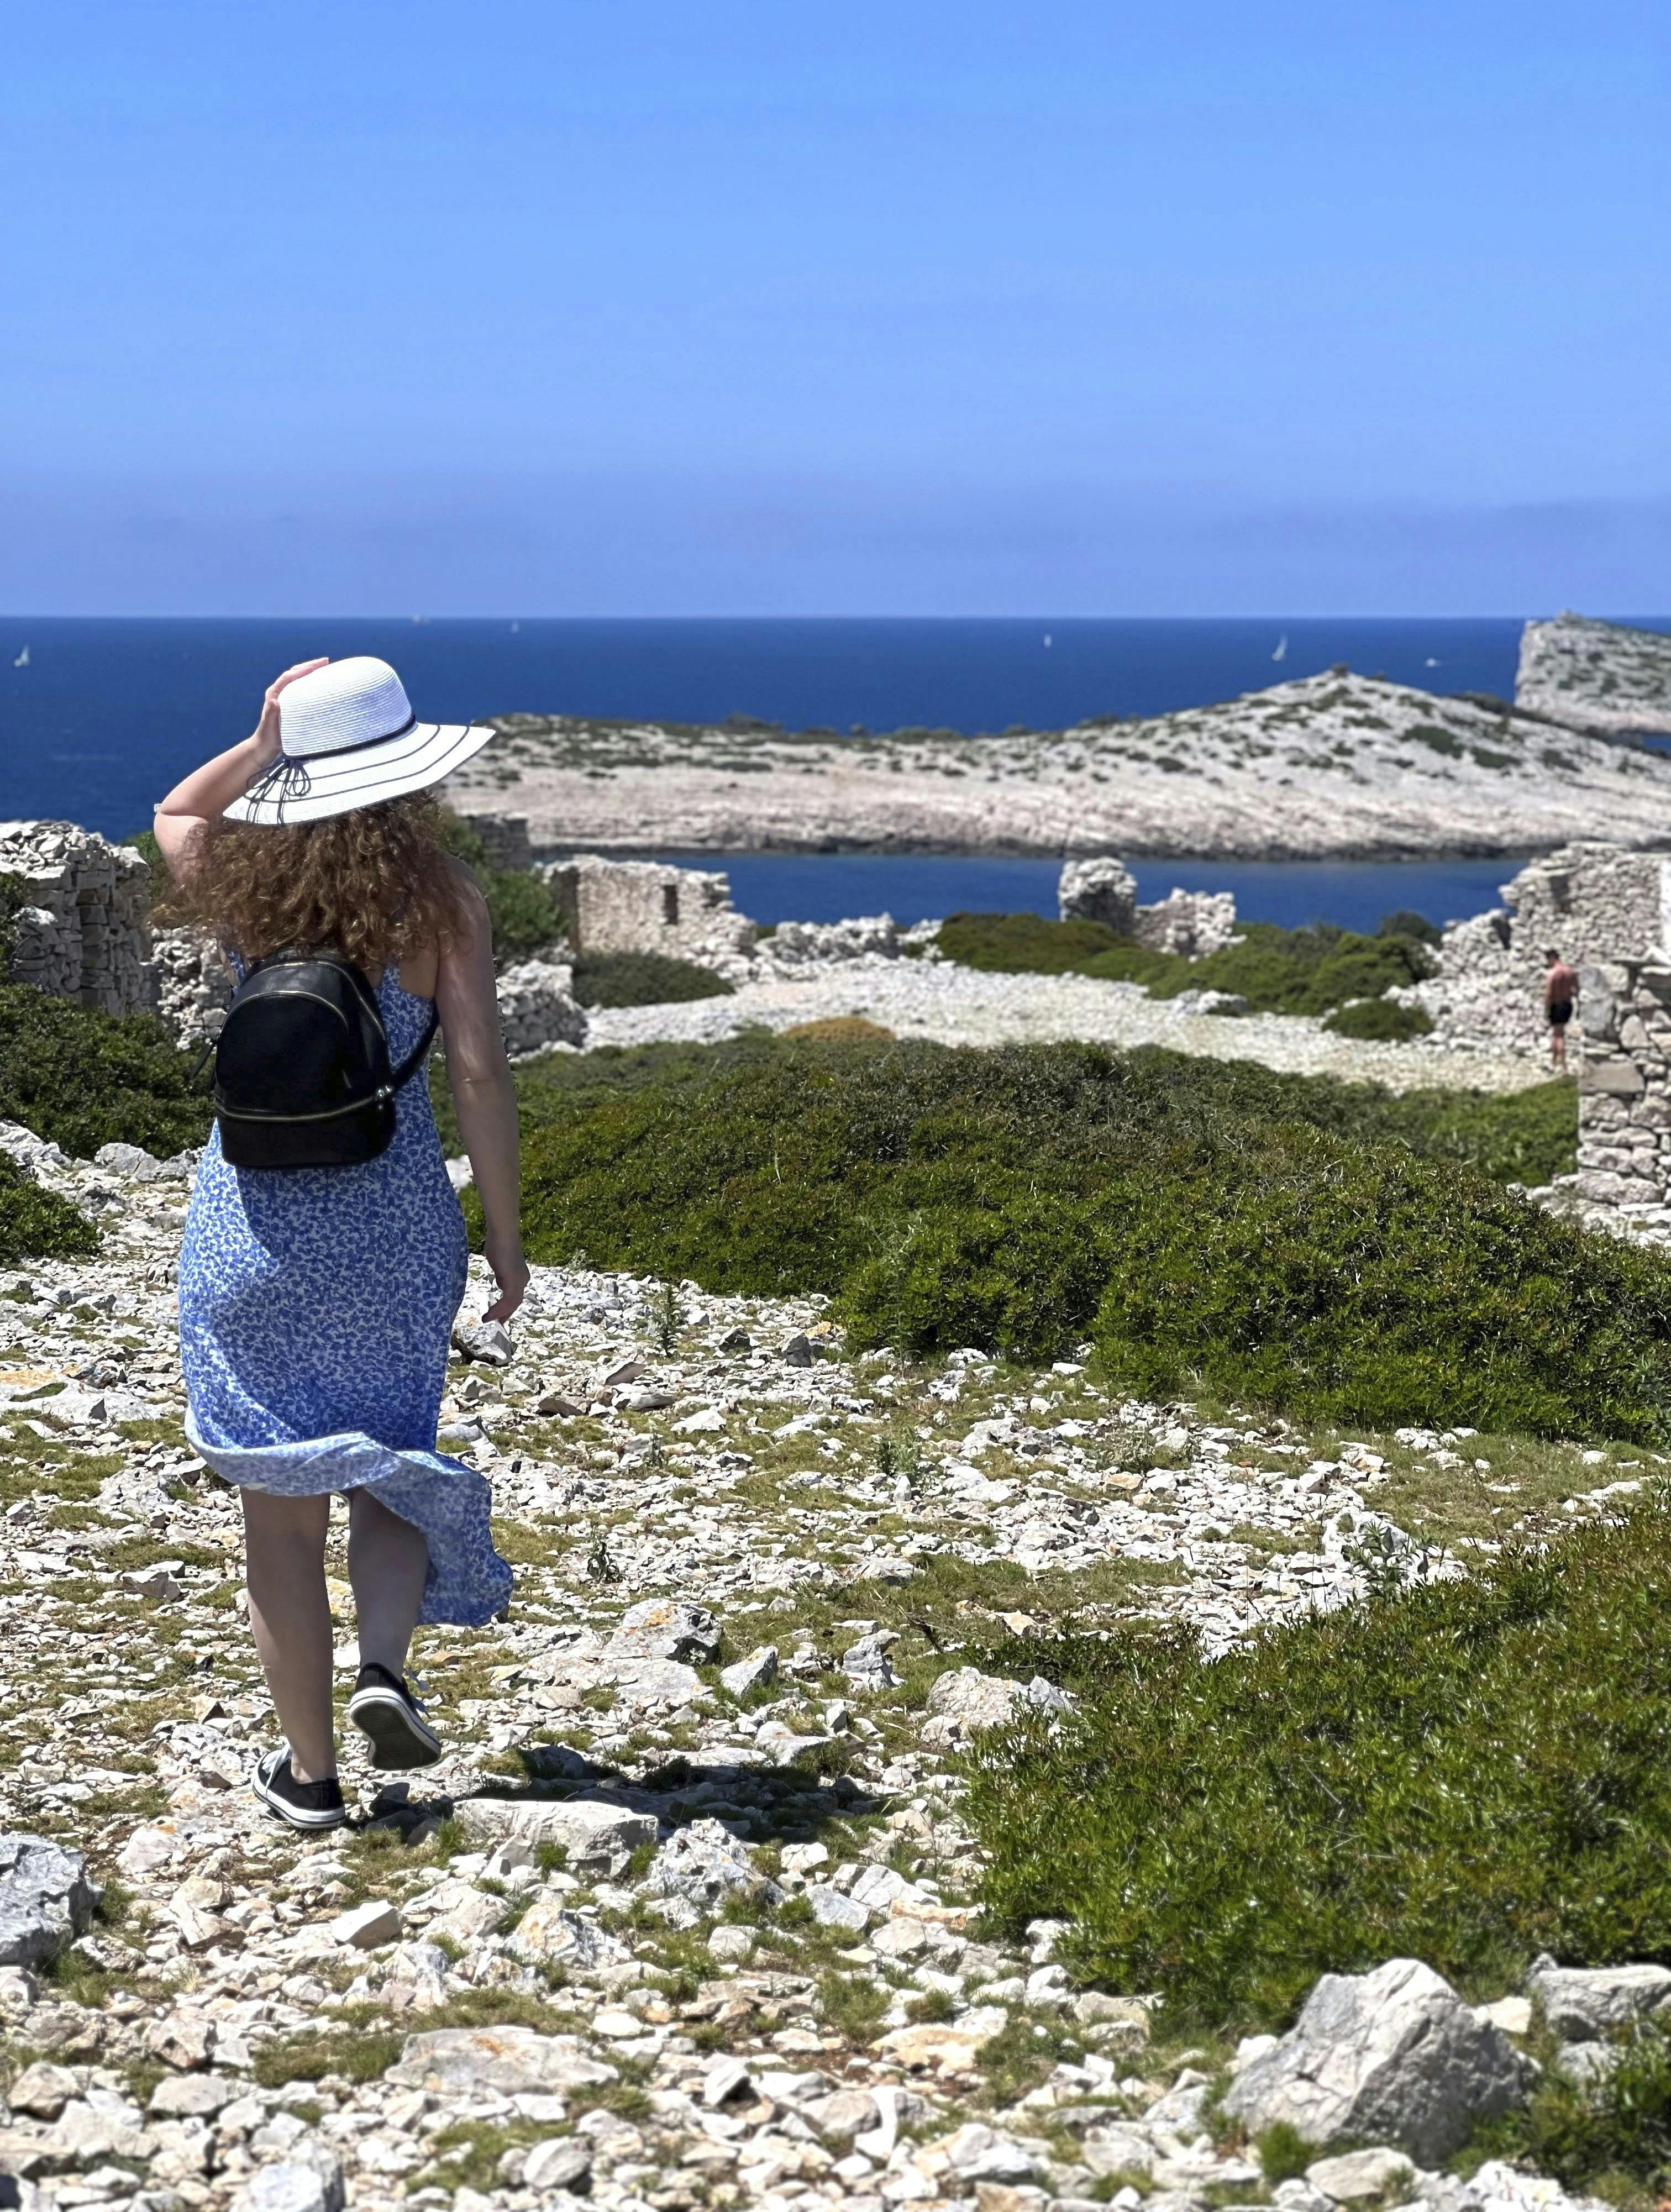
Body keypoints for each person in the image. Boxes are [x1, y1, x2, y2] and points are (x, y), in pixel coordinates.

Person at [154, 656, 526, 1832]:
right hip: (393, 1228)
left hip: (250, 1229)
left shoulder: (244, 892)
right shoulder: (442, 901)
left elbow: (175, 813)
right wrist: (505, 1239)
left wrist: (262, 737)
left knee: (277, 1516)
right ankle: (385, 1668)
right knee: (387, 1466)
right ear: (408, 774)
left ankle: (310, 1779)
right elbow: (476, 1074)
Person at [1544, 947, 1580, 1069]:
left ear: (1552, 958)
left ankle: (1562, 1064)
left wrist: (1547, 1008)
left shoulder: (1553, 974)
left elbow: (1549, 994)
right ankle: (1554, 1061)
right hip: (1568, 1004)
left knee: (1558, 1035)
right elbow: (1577, 989)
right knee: (1559, 1032)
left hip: (1557, 1004)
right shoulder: (1570, 971)